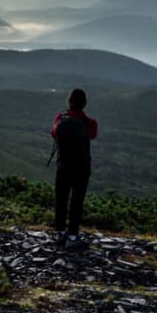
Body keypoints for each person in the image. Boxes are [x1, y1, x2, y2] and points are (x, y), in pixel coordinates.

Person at [51, 87, 98, 251]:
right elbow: (92, 135)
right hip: (82, 168)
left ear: (69, 102)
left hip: (63, 165)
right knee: (77, 202)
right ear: (84, 104)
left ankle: (60, 233)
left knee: (61, 199)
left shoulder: (60, 118)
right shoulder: (90, 123)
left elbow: (54, 133)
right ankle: (73, 236)